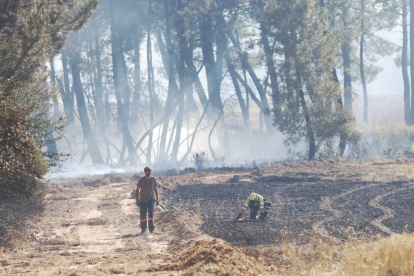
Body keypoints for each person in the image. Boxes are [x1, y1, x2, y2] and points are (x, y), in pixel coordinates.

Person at [136, 167, 159, 234]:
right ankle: (143, 229)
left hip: (151, 199)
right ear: (145, 172)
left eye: (150, 171)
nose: (149, 172)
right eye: (148, 171)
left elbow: (155, 189)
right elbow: (137, 190)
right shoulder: (141, 180)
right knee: (143, 215)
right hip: (143, 200)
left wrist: (157, 199)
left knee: (151, 215)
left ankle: (151, 230)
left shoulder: (153, 179)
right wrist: (137, 200)